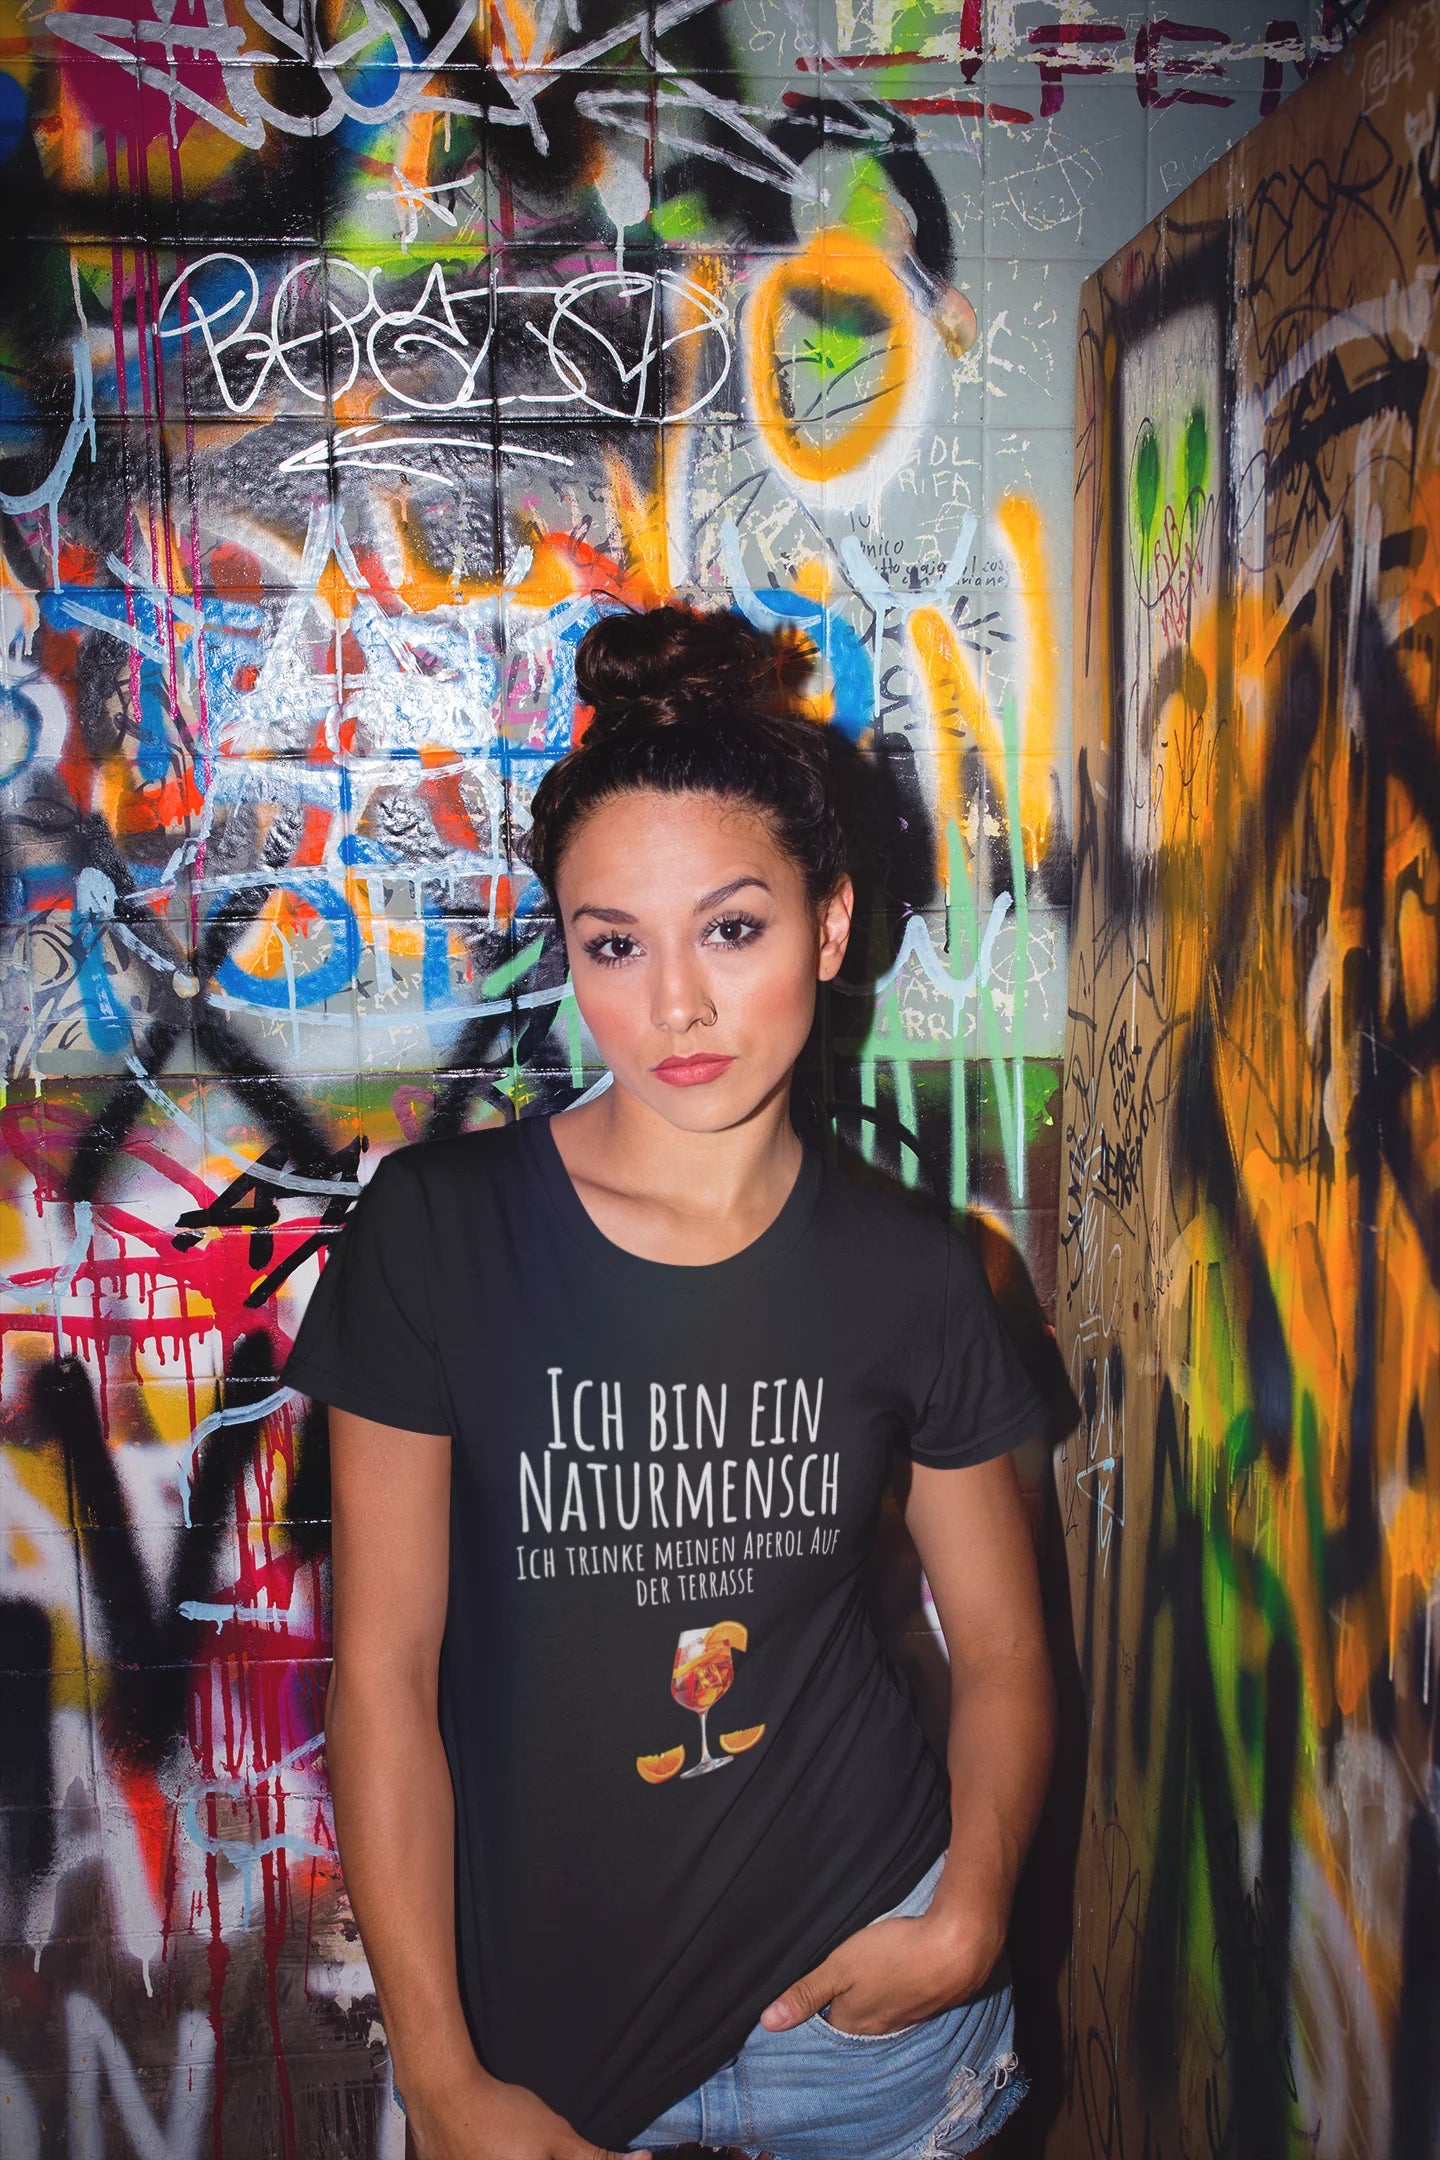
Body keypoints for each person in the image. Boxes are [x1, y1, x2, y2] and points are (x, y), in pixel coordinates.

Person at [281, 605, 1056, 2160]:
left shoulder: (919, 1268)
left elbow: (1003, 1649)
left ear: (831, 927)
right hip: (548, 2045)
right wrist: (439, 2077)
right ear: (566, 948)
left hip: (871, 2013)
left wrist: (968, 1914)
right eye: (613, 946)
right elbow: (382, 1679)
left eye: (735, 928)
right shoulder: (439, 1236)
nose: (676, 1008)